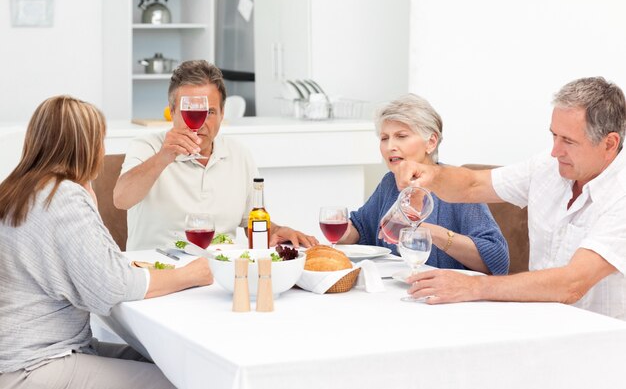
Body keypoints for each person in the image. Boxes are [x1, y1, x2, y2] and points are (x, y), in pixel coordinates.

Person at [0, 95, 213, 388]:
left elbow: (95, 265)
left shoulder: (17, 190)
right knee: (176, 380)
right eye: (100, 141)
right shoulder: (62, 197)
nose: (102, 151)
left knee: (163, 360)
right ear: (84, 145)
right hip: (38, 364)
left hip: (19, 359)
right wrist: (188, 275)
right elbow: (111, 284)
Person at [398, 77, 626, 320]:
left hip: (602, 341)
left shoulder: (620, 195)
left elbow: (572, 284)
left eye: (568, 141)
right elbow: (472, 185)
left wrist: (473, 287)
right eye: (554, 136)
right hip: (538, 324)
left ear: (609, 144)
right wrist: (431, 173)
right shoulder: (547, 167)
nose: (555, 151)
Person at [114, 60, 318, 250]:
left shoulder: (238, 154)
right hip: (159, 272)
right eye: (189, 110)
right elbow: (121, 199)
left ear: (222, 113)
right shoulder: (147, 146)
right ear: (173, 112)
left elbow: (250, 221)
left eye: (209, 112)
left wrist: (275, 230)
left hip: (218, 272)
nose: (199, 122)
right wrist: (164, 157)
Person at [341, 94, 509, 275]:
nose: (390, 146)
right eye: (384, 138)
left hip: (444, 298)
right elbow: (359, 229)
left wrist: (427, 232)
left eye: (401, 136)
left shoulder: (455, 184)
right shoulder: (389, 182)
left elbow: (497, 259)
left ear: (431, 142)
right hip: (393, 293)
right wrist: (332, 228)